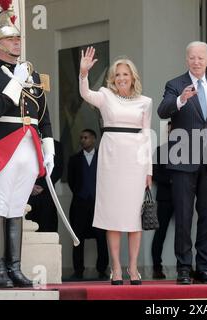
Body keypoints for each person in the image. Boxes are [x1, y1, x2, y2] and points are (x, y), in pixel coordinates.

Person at [0, 3, 54, 288]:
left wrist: (49, 145)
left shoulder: (31, 73)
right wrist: (15, 83)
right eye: (10, 38)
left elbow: (43, 113)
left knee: (17, 207)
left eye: (18, 38)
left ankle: (15, 268)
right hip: (3, 147)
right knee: (1, 205)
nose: (17, 42)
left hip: (29, 147)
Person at [158, 41, 207, 285]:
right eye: (192, 57)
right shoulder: (175, 84)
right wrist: (180, 99)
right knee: (184, 217)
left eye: (201, 58)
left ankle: (205, 268)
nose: (197, 61)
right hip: (182, 161)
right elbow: (162, 111)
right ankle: (184, 269)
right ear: (186, 59)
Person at [79, 47, 152, 285]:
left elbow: (147, 136)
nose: (121, 78)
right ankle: (116, 268)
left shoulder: (145, 102)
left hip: (136, 163)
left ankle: (133, 267)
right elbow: (85, 94)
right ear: (113, 78)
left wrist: (148, 170)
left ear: (133, 78)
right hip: (111, 160)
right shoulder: (105, 95)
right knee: (113, 215)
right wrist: (83, 73)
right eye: (117, 74)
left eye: (125, 74)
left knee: (134, 218)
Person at [67, 129, 109, 280]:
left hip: (99, 205)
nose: (82, 140)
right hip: (79, 205)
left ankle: (102, 269)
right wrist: (81, 194)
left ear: (93, 139)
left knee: (102, 238)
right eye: (81, 138)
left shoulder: (103, 158)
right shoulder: (74, 159)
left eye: (85, 137)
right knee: (77, 238)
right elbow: (72, 182)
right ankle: (78, 270)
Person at [151, 121, 173, 279]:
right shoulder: (160, 150)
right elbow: (155, 174)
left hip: (183, 197)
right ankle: (156, 268)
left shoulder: (188, 152)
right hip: (165, 197)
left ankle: (184, 266)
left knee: (184, 233)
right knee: (160, 233)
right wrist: (172, 180)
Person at [27, 140, 63, 232]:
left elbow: (58, 169)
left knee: (47, 227)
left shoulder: (56, 145)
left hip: (47, 193)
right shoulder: (24, 142)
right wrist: (29, 186)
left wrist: (43, 185)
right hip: (26, 193)